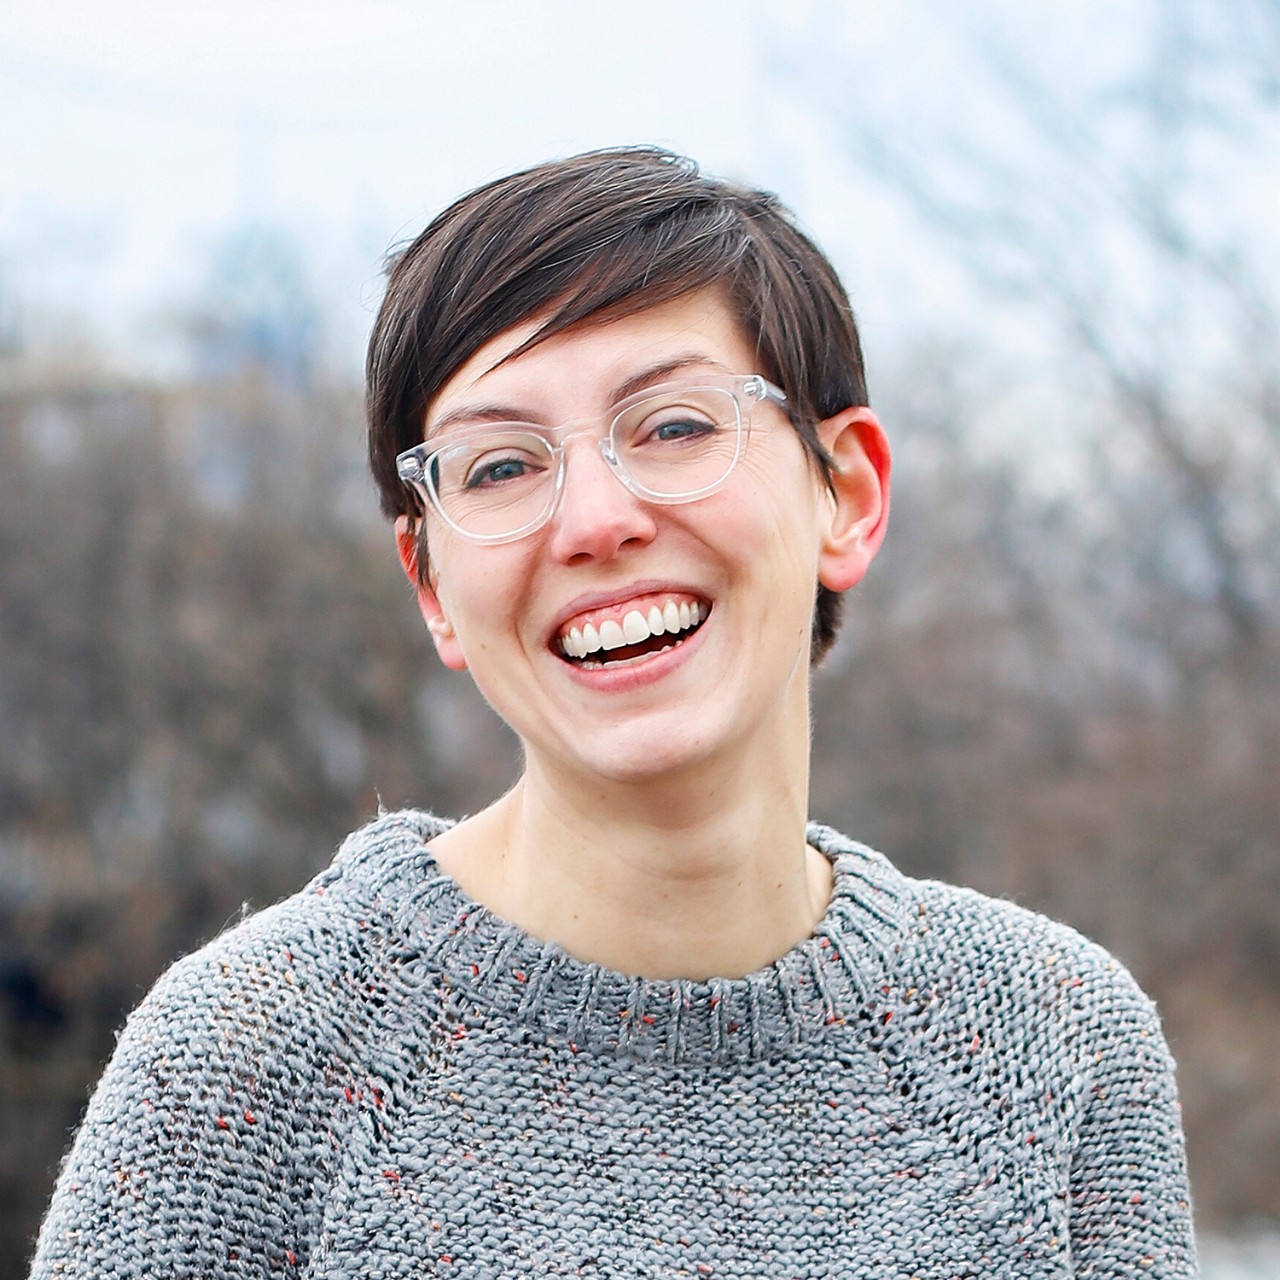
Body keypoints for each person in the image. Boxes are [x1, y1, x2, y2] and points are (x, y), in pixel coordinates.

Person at [29, 147, 1197, 1278]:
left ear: (845, 491)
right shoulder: (248, 1063)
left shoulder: (1051, 1044)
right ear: (430, 583)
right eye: (499, 466)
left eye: (675, 426)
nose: (593, 517)